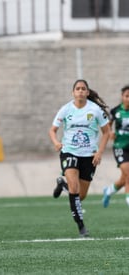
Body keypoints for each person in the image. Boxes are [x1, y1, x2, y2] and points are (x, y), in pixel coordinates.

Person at [49, 79, 110, 237]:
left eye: (83, 89)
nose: (81, 91)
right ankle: (81, 227)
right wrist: (56, 142)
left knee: (81, 195)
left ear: (87, 92)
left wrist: (99, 152)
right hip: (69, 151)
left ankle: (62, 185)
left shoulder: (95, 110)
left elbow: (107, 132)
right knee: (74, 189)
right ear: (73, 92)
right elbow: (52, 130)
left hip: (89, 155)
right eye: (78, 89)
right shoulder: (66, 109)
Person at [102, 85, 129, 208]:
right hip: (120, 147)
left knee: (124, 178)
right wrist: (110, 132)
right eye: (127, 96)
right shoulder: (116, 111)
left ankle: (108, 191)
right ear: (122, 97)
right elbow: (107, 126)